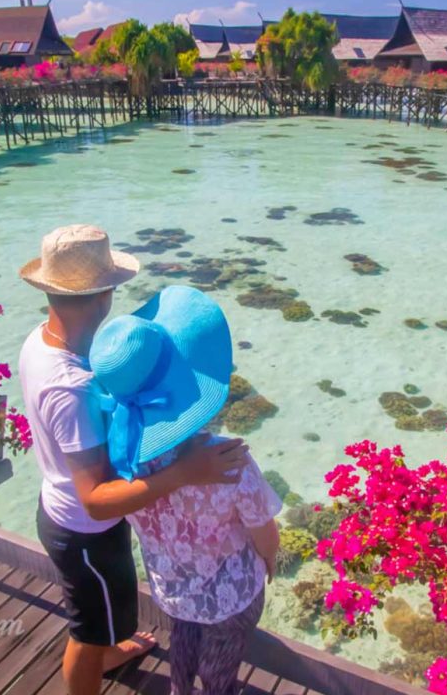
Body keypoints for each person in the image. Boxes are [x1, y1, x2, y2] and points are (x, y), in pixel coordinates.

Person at [18, 225, 250, 695]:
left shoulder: (39, 343)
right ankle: (92, 666)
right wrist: (187, 471)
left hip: (60, 509)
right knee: (85, 633)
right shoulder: (74, 388)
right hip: (85, 532)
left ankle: (110, 648)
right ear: (105, 296)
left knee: (106, 619)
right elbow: (98, 501)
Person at [90, 285, 281, 695]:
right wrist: (270, 558)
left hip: (173, 587)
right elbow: (264, 530)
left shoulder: (120, 464)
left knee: (185, 640)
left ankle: (179, 688)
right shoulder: (229, 463)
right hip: (231, 596)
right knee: (220, 668)